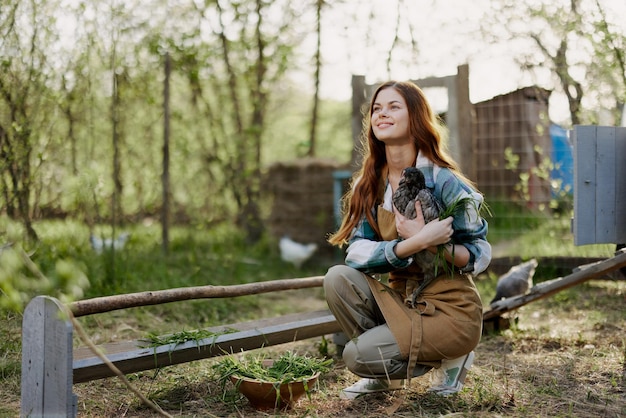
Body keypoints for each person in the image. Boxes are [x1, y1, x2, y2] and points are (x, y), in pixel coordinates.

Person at [324, 80, 491, 399]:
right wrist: (412, 243)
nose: (381, 113)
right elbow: (356, 254)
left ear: (415, 117)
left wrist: (435, 243)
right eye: (376, 108)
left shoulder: (445, 181)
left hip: (449, 307)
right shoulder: (368, 184)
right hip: (401, 301)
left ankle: (453, 356)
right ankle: (383, 372)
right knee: (338, 279)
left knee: (355, 356)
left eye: (393, 106)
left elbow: (480, 255)